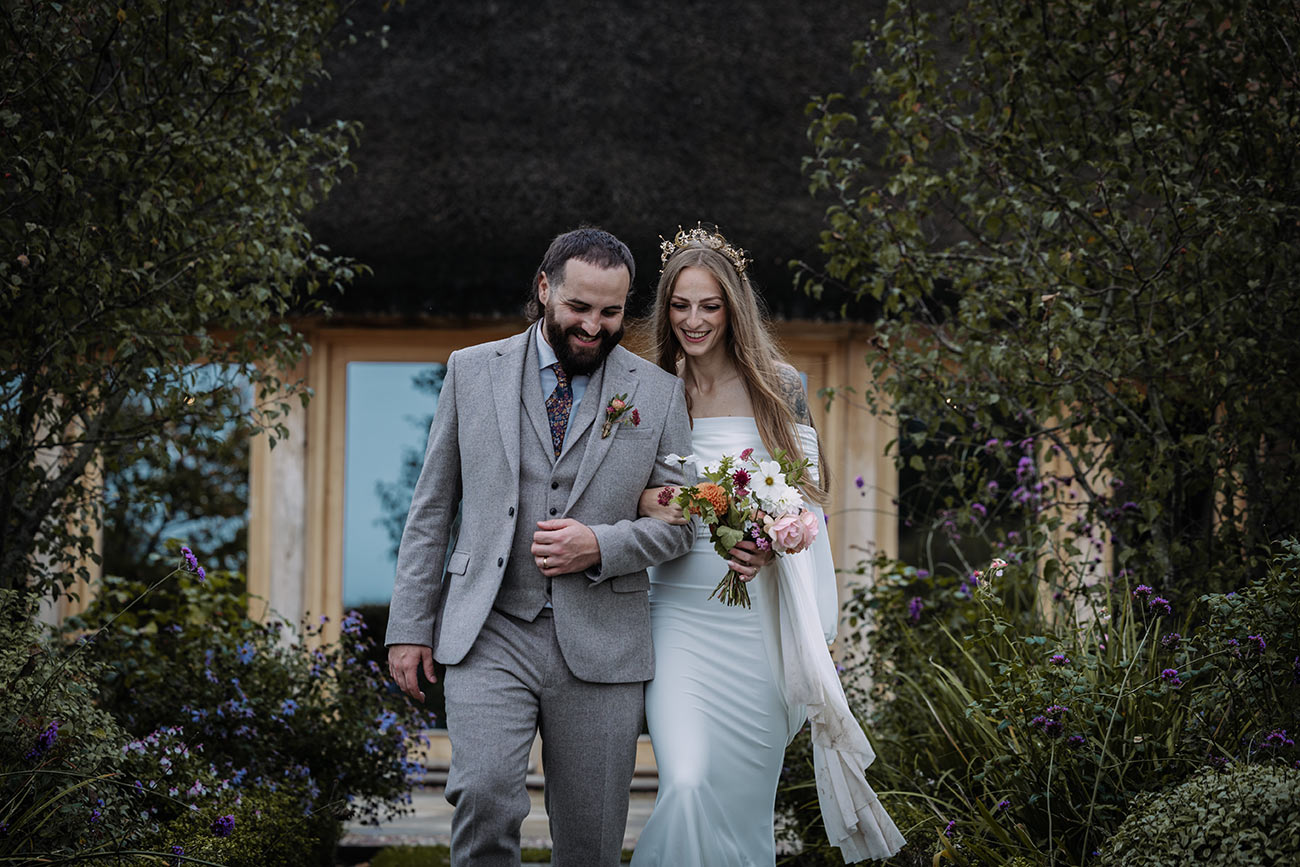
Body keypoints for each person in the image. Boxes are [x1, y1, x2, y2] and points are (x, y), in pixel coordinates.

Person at [385, 227, 696, 867]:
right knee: (484, 797)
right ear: (545, 288)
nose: (593, 326)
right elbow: (432, 507)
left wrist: (599, 545)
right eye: (579, 308)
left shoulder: (659, 392)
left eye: (611, 313)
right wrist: (409, 625)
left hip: (603, 639)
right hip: (490, 624)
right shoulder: (470, 371)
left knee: (591, 839)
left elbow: (681, 523)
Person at [630, 225, 905, 865]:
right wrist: (648, 500)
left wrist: (772, 543)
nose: (694, 320)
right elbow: (622, 491)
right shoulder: (649, 389)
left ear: (733, 308)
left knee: (744, 809)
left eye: (709, 305)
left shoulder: (779, 387)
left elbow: (806, 507)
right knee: (689, 781)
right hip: (676, 615)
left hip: (757, 628)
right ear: (665, 310)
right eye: (680, 305)